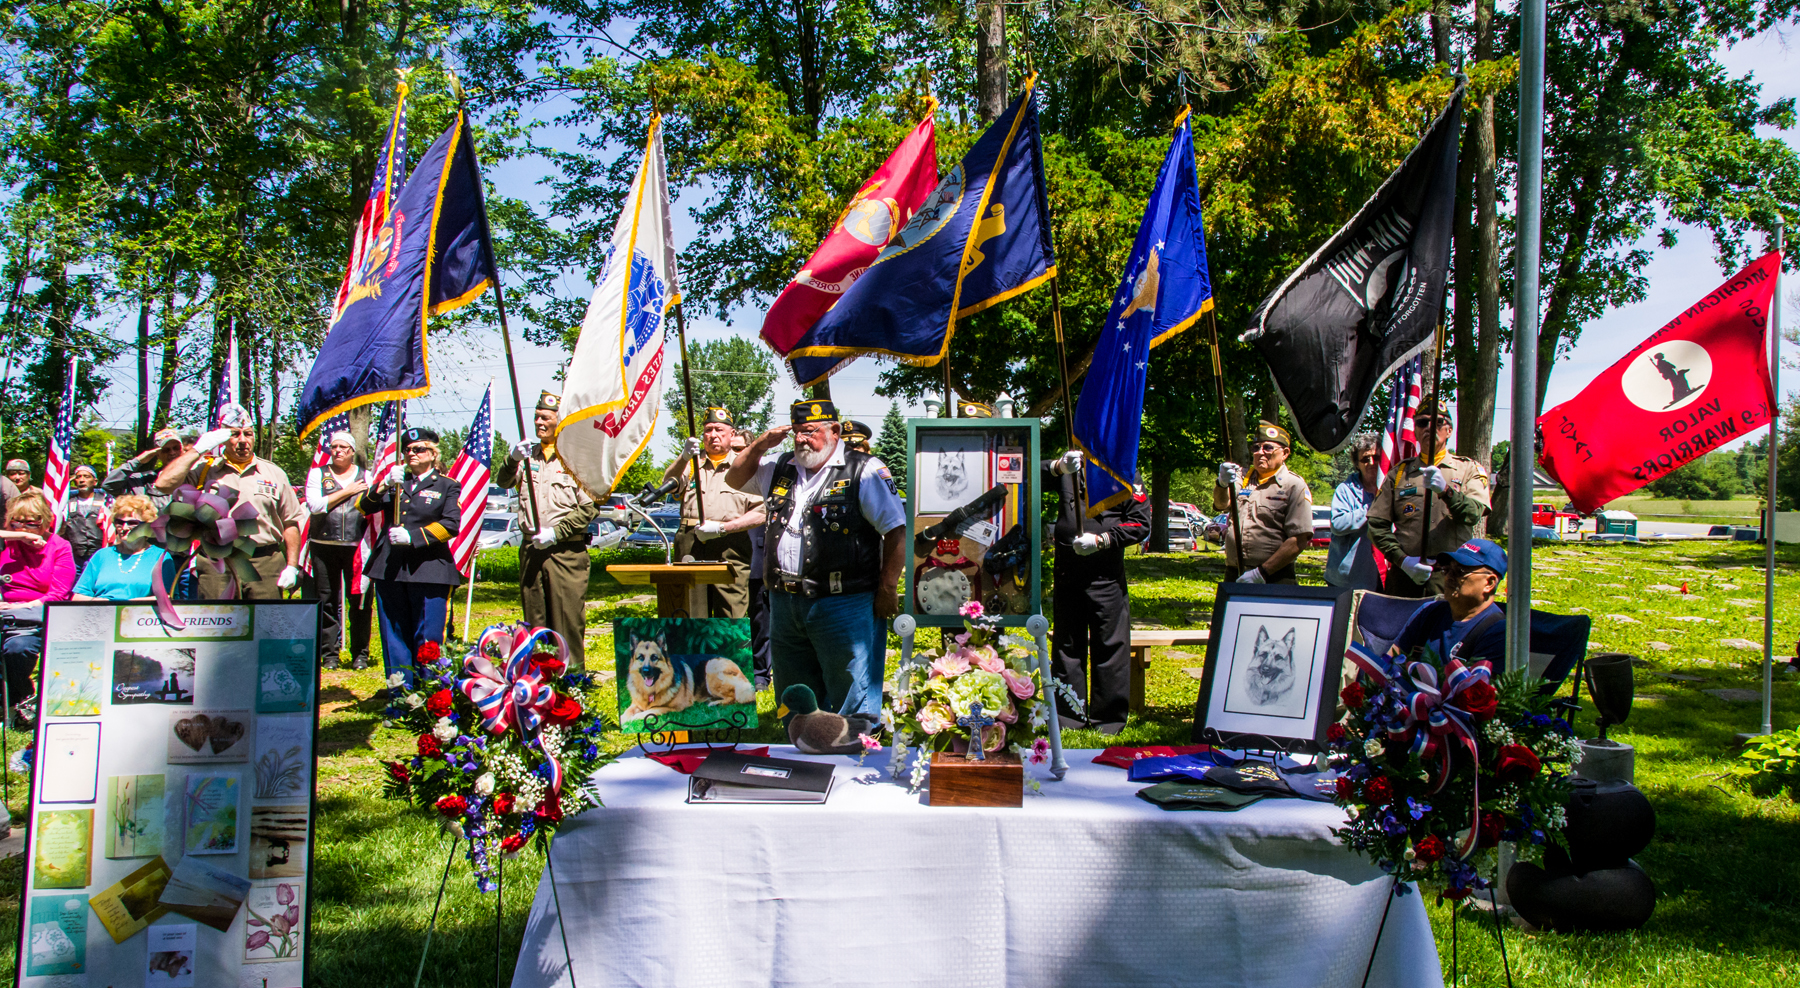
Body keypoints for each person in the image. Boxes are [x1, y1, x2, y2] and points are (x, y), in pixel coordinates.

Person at [725, 399, 906, 733]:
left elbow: (895, 530)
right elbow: (734, 478)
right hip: (784, 601)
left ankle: (854, 755)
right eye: (796, 432)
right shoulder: (779, 467)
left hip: (844, 602)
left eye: (809, 432)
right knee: (796, 692)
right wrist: (762, 442)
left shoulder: (863, 470)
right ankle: (803, 755)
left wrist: (887, 589)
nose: (800, 440)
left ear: (834, 431)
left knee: (851, 690)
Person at [1044, 450, 1150, 734]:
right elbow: (1024, 476)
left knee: (1110, 645)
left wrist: (1103, 540)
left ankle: (1109, 720)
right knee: (1067, 646)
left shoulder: (1123, 473)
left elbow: (1140, 523)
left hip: (1105, 574)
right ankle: (1069, 717)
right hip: (1068, 571)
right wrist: (1057, 467)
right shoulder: (1069, 467)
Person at [154, 404, 304, 599]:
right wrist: (197, 450)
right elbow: (163, 484)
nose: (243, 441)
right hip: (216, 562)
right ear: (223, 438)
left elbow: (290, 522)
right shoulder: (204, 470)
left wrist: (292, 566)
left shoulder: (274, 473)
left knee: (264, 625)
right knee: (217, 624)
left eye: (248, 434)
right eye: (234, 434)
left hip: (263, 561)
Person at [495, 391, 598, 670]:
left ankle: (573, 679)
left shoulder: (576, 459)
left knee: (567, 620)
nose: (539, 422)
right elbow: (503, 482)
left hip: (565, 551)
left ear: (560, 420)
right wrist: (512, 459)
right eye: (537, 417)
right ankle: (537, 678)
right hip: (531, 549)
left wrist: (557, 533)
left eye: (545, 417)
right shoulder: (528, 457)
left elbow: (589, 508)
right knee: (534, 618)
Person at [361, 426, 462, 687]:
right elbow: (363, 506)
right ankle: (401, 695)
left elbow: (451, 524)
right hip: (390, 567)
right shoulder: (396, 481)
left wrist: (414, 537)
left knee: (427, 634)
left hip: (428, 567)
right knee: (393, 633)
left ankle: (430, 693)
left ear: (433, 454)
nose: (412, 454)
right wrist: (383, 484)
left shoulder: (447, 486)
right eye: (407, 450)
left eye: (419, 449)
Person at [1368, 399, 1492, 597]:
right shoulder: (1400, 473)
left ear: (1449, 430)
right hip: (1405, 576)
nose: (1429, 428)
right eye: (1422, 423)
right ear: (1415, 431)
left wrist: (1447, 492)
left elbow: (1473, 514)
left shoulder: (1468, 469)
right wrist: (1402, 560)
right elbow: (1376, 524)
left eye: (1438, 423)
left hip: (1451, 575)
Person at [665, 407, 765, 618]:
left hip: (730, 542)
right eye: (708, 430)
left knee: (731, 611)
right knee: (691, 610)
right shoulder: (692, 463)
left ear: (732, 434)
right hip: (691, 540)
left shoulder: (744, 466)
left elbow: (762, 511)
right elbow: (669, 484)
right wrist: (683, 457)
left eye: (719, 430)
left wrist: (723, 528)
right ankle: (692, 651)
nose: (713, 435)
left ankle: (729, 652)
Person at [303, 431, 373, 670]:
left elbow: (372, 506)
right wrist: (348, 491)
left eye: (344, 447)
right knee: (327, 600)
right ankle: (329, 653)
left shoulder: (367, 476)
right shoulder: (318, 474)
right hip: (324, 545)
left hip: (357, 548)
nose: (338, 451)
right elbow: (315, 505)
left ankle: (360, 653)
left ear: (353, 451)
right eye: (334, 447)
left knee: (359, 601)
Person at [0, 493, 75, 713]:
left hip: (34, 617)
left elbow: (58, 594)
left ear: (45, 520)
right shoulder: (9, 542)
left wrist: (20, 606)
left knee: (16, 649)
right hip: (4, 611)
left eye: (31, 522)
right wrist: (21, 535)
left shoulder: (60, 547)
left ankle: (19, 697)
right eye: (17, 522)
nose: (24, 527)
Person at [1213, 421, 1314, 584]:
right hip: (1235, 574)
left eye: (1268, 448)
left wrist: (1261, 573)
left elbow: (1299, 539)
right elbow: (1221, 504)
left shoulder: (1293, 485)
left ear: (1285, 453)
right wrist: (1222, 484)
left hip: (1275, 577)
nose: (1260, 453)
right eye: (1256, 448)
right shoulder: (1243, 478)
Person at [1390, 539, 1508, 669]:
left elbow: (1479, 687)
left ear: (1489, 583)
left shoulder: (1498, 632)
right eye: (1447, 569)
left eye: (1460, 571)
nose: (1449, 577)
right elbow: (1388, 662)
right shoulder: (1429, 612)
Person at [71, 495, 177, 601]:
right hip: (102, 613)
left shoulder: (160, 557)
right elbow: (78, 597)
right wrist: (103, 603)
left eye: (132, 523)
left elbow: (168, 597)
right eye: (120, 523)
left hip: (139, 614)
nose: (125, 528)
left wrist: (130, 604)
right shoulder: (102, 555)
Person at [736, 429, 772, 691]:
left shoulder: (760, 476)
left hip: (757, 558)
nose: (736, 453)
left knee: (760, 620)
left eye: (741, 449)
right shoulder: (726, 476)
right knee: (736, 617)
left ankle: (760, 672)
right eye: (733, 448)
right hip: (730, 560)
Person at [1326, 434, 1385, 591]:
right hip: (1346, 581)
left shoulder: (1391, 490)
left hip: (1382, 577)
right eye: (1365, 459)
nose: (1371, 463)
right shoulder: (1345, 490)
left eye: (1376, 457)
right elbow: (1337, 524)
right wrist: (1371, 508)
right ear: (1357, 463)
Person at [103, 429, 185, 499]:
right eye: (165, 450)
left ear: (183, 449)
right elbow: (109, 486)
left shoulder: (194, 476)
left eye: (176, 448)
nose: (172, 453)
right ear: (157, 454)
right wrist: (137, 461)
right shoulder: (144, 480)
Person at [60, 465, 111, 577]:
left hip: (99, 554)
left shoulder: (105, 501)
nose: (82, 480)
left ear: (95, 481)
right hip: (74, 556)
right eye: (78, 477)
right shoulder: (66, 502)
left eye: (86, 476)